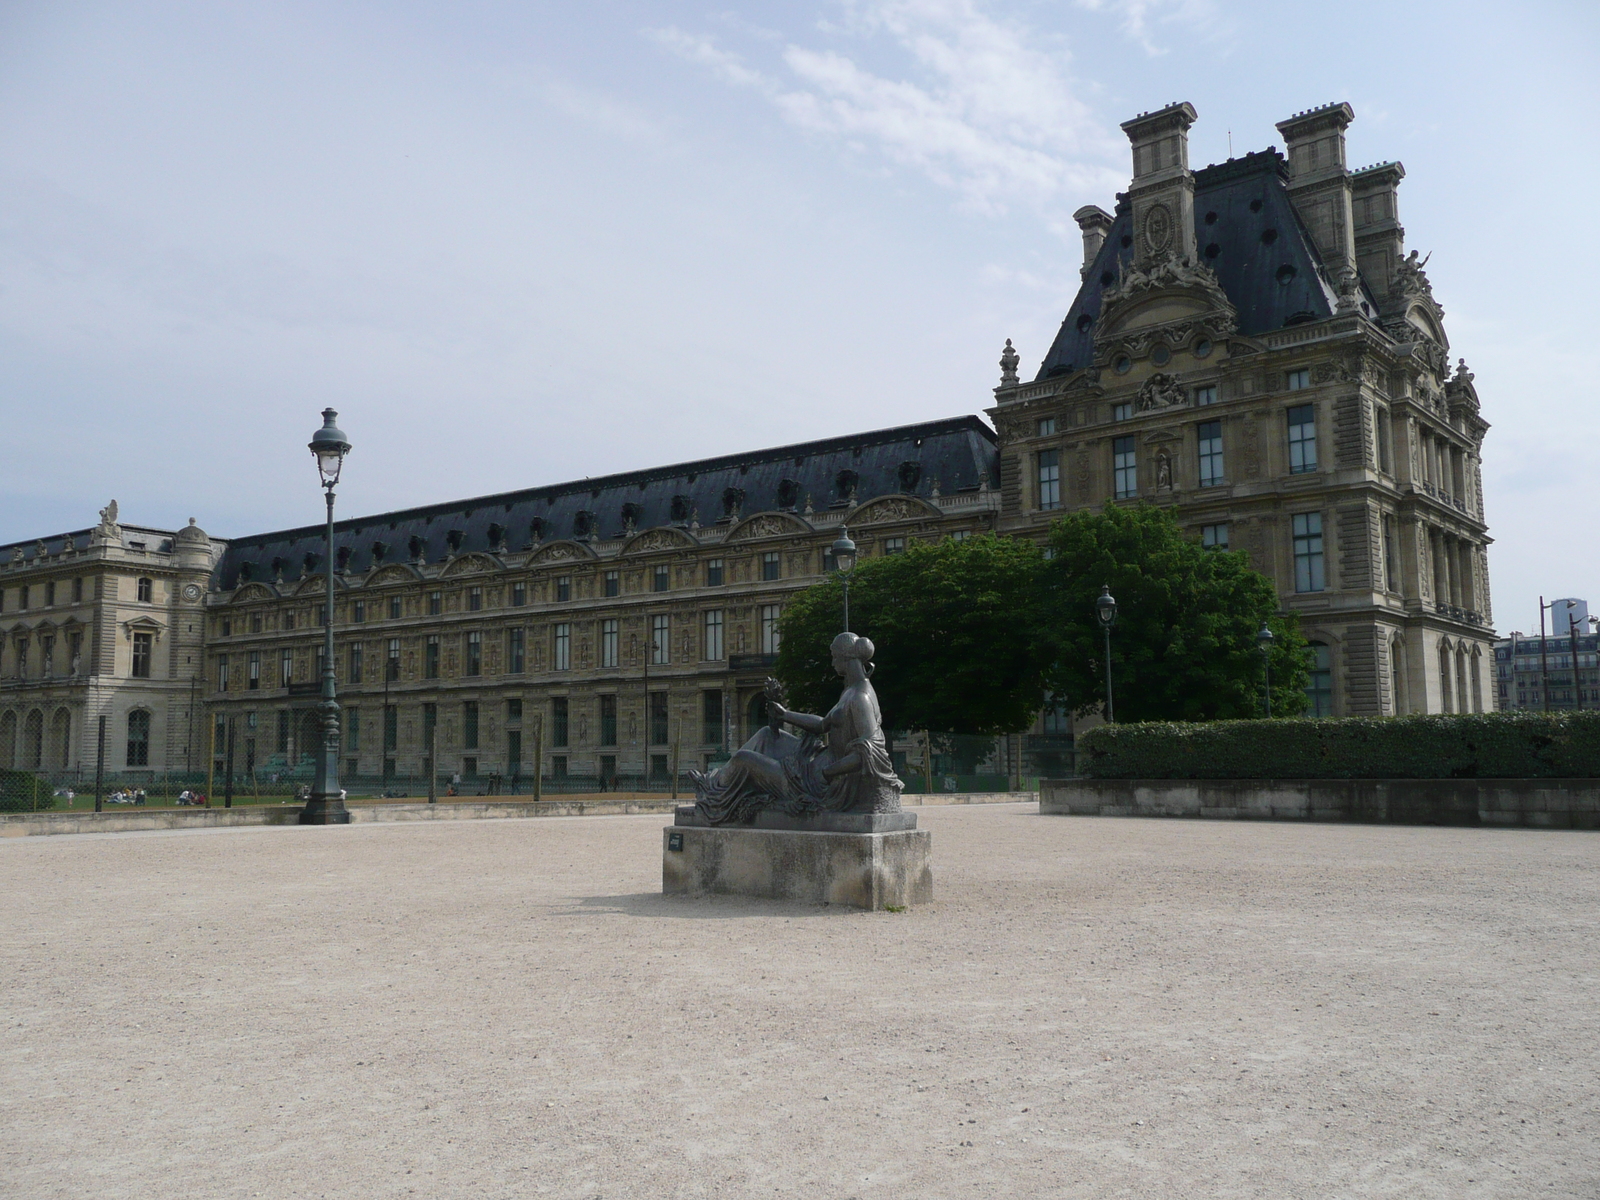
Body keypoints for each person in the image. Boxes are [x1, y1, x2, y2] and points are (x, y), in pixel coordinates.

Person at [689, 632, 902, 825]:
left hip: (814, 782)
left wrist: (827, 774)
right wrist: (785, 714)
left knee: (743, 759)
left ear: (845, 658)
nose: (832, 662)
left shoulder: (859, 697)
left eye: (834, 656)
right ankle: (714, 782)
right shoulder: (851, 690)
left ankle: (712, 791)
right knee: (765, 735)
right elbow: (822, 724)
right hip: (816, 765)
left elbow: (870, 753)